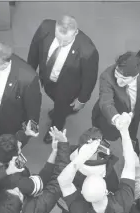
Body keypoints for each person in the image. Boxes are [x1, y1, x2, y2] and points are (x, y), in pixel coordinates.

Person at [0, 127, 68, 213]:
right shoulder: (22, 186)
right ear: (22, 208)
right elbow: (53, 184)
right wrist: (57, 150)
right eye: (19, 193)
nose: (17, 189)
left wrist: (6, 171)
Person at [58, 112, 138, 213]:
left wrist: (81, 157)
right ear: (106, 191)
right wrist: (124, 131)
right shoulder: (124, 201)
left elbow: (63, 181)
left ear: (81, 193)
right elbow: (130, 164)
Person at [27, 15, 99, 144]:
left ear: (75, 33)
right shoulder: (45, 28)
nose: (60, 43)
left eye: (65, 41)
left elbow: (90, 78)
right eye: (58, 38)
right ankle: (63, 109)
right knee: (52, 96)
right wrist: (29, 73)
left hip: (68, 87)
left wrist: (82, 99)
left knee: (61, 110)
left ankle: (56, 129)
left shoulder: (88, 51)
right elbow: (34, 51)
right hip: (47, 78)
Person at [92, 52, 140, 155]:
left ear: (136, 75)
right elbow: (106, 101)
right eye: (117, 75)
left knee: (131, 140)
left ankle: (134, 158)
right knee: (102, 136)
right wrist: (116, 119)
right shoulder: (106, 76)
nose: (119, 81)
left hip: (133, 119)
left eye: (124, 79)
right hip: (107, 116)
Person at [55, 127, 120, 213]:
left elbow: (61, 169)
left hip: (70, 209)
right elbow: (115, 192)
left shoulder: (69, 160)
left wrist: (63, 143)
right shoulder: (107, 173)